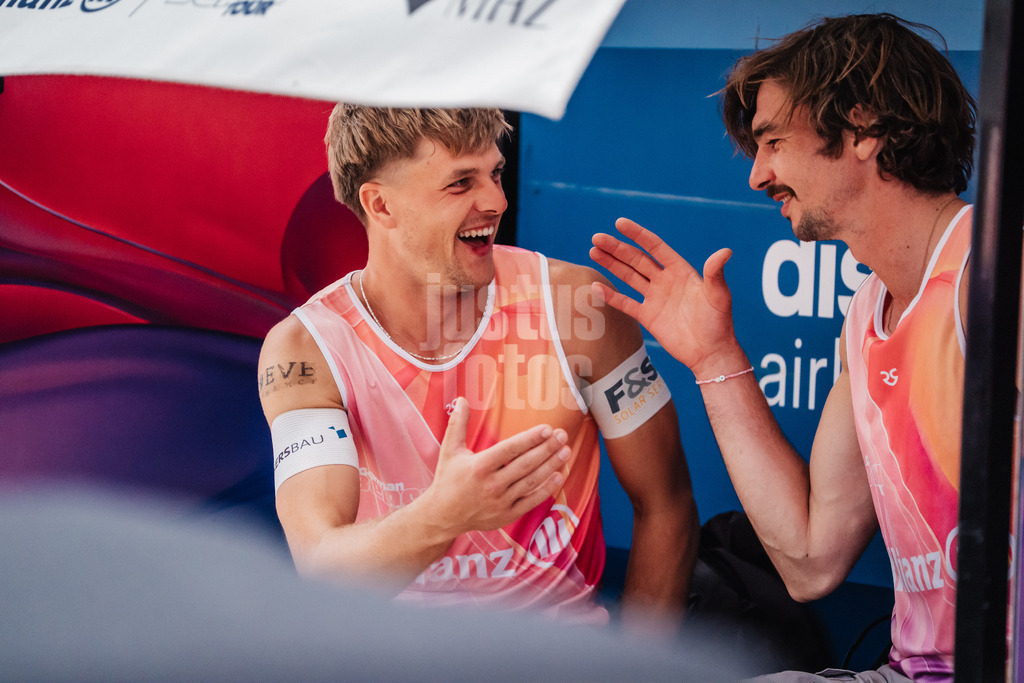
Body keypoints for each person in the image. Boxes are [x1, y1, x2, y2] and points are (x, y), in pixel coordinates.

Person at [590, 13, 976, 681]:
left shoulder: (991, 273)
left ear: (862, 129)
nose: (757, 175)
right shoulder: (867, 312)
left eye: (772, 141)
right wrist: (714, 358)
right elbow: (809, 557)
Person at [258, 105, 698, 629]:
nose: (496, 201)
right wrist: (446, 514)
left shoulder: (578, 308)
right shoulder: (305, 349)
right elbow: (320, 565)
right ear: (380, 204)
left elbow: (665, 505)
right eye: (460, 183)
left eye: (494, 173)